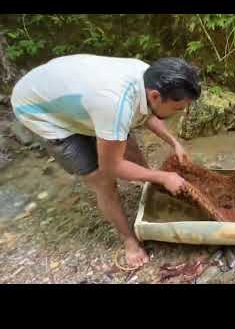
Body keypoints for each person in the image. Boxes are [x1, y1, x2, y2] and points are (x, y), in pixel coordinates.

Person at [11, 54, 201, 267]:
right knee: (102, 180)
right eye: (177, 109)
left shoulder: (151, 76)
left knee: (125, 144)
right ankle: (128, 240)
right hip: (39, 108)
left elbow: (146, 114)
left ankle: (151, 186)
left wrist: (174, 142)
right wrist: (163, 175)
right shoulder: (115, 104)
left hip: (72, 91)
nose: (179, 113)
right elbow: (111, 167)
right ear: (155, 95)